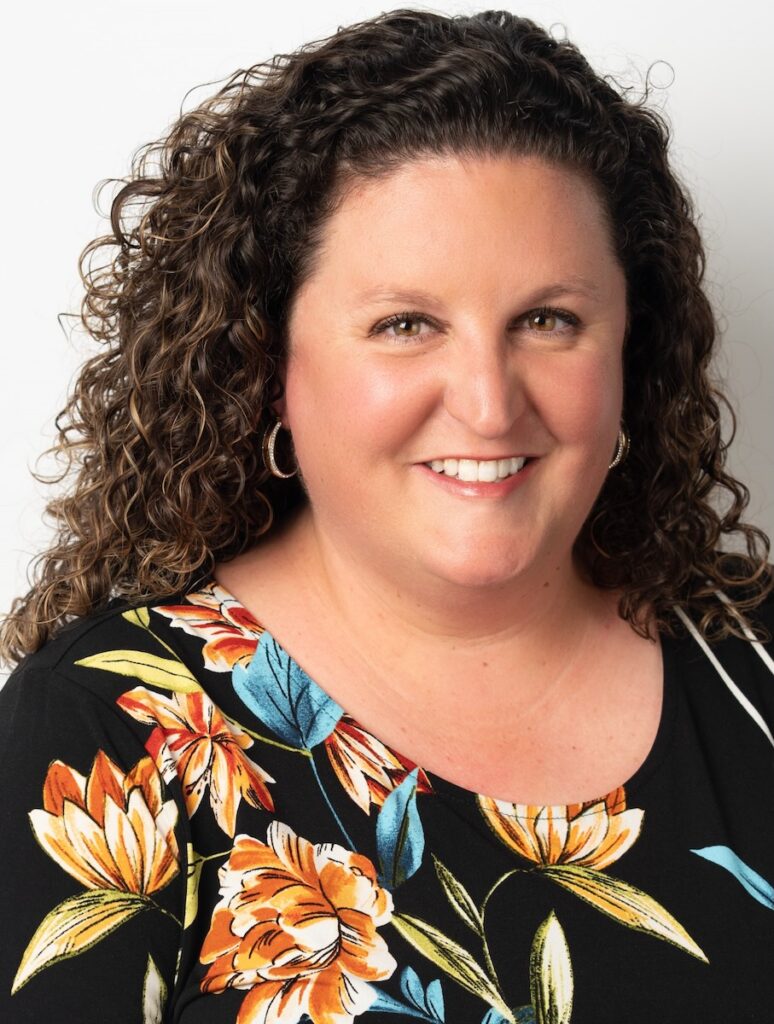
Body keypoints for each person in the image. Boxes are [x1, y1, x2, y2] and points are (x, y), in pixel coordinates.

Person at [1, 8, 772, 1022]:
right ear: (268, 367)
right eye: (406, 324)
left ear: (633, 350)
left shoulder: (752, 661)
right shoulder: (104, 731)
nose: (490, 404)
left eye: (549, 320)